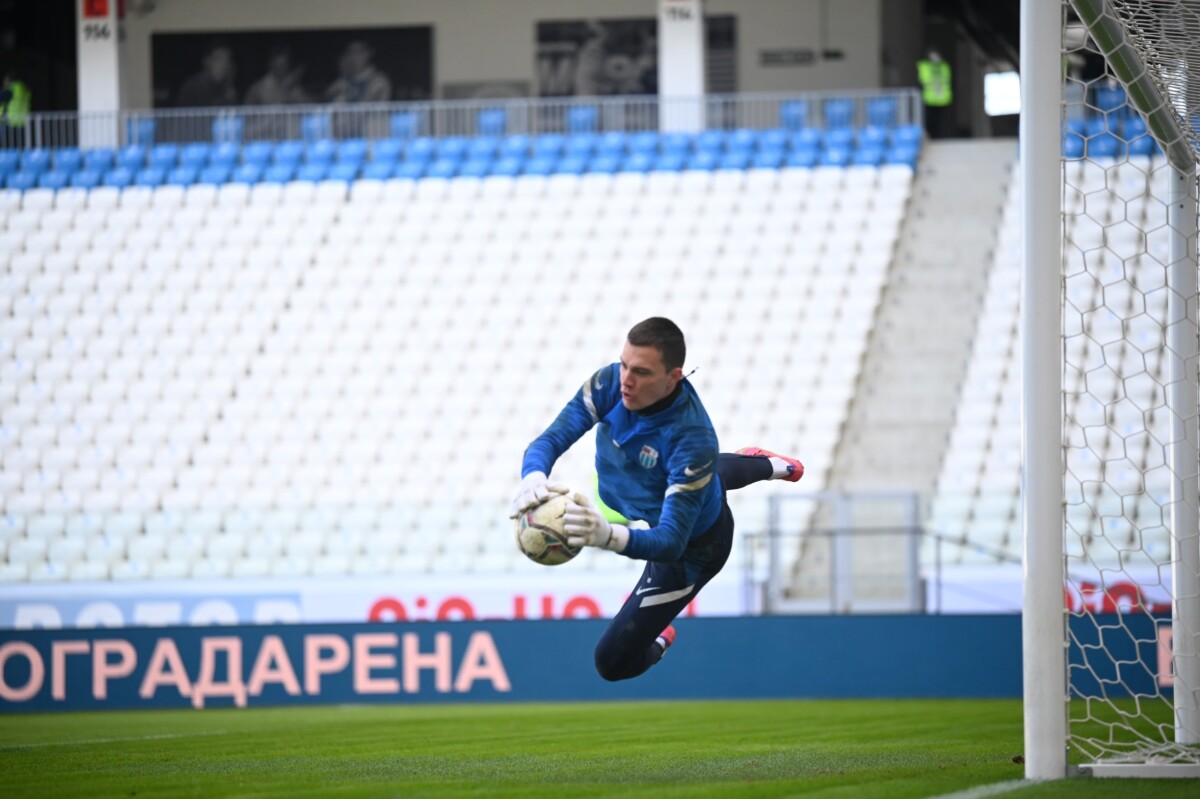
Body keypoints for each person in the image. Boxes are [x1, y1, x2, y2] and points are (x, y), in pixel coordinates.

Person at [509, 317, 804, 682]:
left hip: (694, 549)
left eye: (642, 372)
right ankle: (772, 464)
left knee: (611, 663)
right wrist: (533, 476)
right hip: (645, 495)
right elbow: (549, 440)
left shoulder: (692, 439)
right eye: (624, 364)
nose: (626, 380)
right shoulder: (609, 382)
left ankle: (659, 638)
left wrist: (607, 537)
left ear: (673, 377)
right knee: (711, 478)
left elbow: (669, 542)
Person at [324, 40, 392, 104]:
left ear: (368, 53)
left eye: (358, 52)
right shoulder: (343, 80)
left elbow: (379, 108)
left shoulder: (380, 80)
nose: (353, 57)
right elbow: (325, 99)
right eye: (350, 53)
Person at [244, 47, 309, 106]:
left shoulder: (293, 86)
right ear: (270, 64)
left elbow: (307, 105)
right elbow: (246, 110)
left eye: (284, 65)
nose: (281, 69)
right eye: (279, 66)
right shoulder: (258, 88)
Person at [916, 50, 953, 139]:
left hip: (941, 99)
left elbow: (947, 79)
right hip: (929, 98)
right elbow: (923, 79)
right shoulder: (925, 66)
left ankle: (936, 136)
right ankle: (930, 136)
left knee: (937, 120)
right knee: (929, 119)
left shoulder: (944, 67)